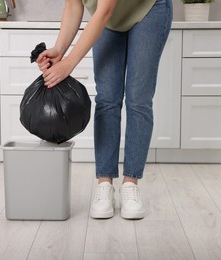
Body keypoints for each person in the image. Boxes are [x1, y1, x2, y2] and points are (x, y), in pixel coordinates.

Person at [37, 0, 173, 219]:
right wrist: (59, 50)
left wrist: (69, 64)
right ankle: (104, 184)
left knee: (139, 100)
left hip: (148, 9)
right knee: (107, 99)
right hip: (108, 18)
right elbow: (73, 6)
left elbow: (105, 9)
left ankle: (130, 184)